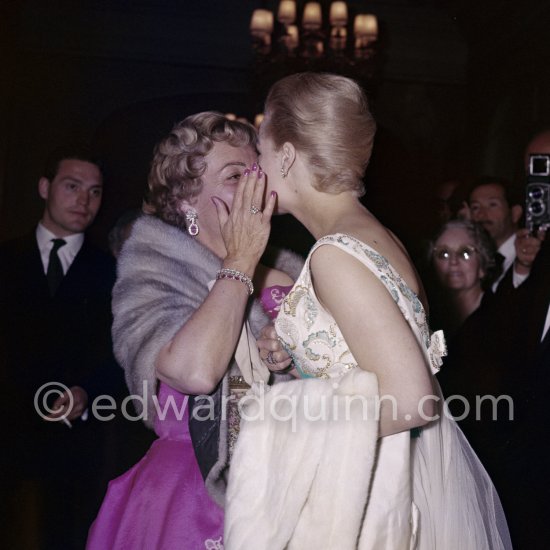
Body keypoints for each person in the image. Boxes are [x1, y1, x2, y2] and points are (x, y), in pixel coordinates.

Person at [224, 73, 512, 549]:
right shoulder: (378, 239)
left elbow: (411, 398)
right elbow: (365, 359)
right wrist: (297, 348)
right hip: (391, 475)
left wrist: (289, 427)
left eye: (262, 148)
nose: (257, 164)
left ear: (289, 154)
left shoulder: (335, 254)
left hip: (371, 495)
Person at [86, 112, 303, 549]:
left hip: (290, 485)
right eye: (235, 175)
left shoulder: (298, 278)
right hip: (190, 499)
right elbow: (195, 373)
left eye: (256, 174)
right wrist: (239, 263)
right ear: (187, 201)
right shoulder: (152, 271)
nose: (253, 187)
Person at [0, 146, 123, 549]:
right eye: (72, 186)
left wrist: (88, 391)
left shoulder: (113, 272)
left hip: (74, 453)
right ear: (44, 187)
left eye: (95, 191)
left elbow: (122, 354)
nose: (84, 200)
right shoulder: (6, 259)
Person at [427, 219, 499, 337]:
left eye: (465, 253)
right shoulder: (427, 320)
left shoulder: (501, 316)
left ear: (482, 266)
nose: (453, 261)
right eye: (444, 254)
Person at [468, 176, 525, 290]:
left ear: (515, 213)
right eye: (475, 207)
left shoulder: (530, 259)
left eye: (492, 205)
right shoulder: (473, 260)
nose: (481, 214)